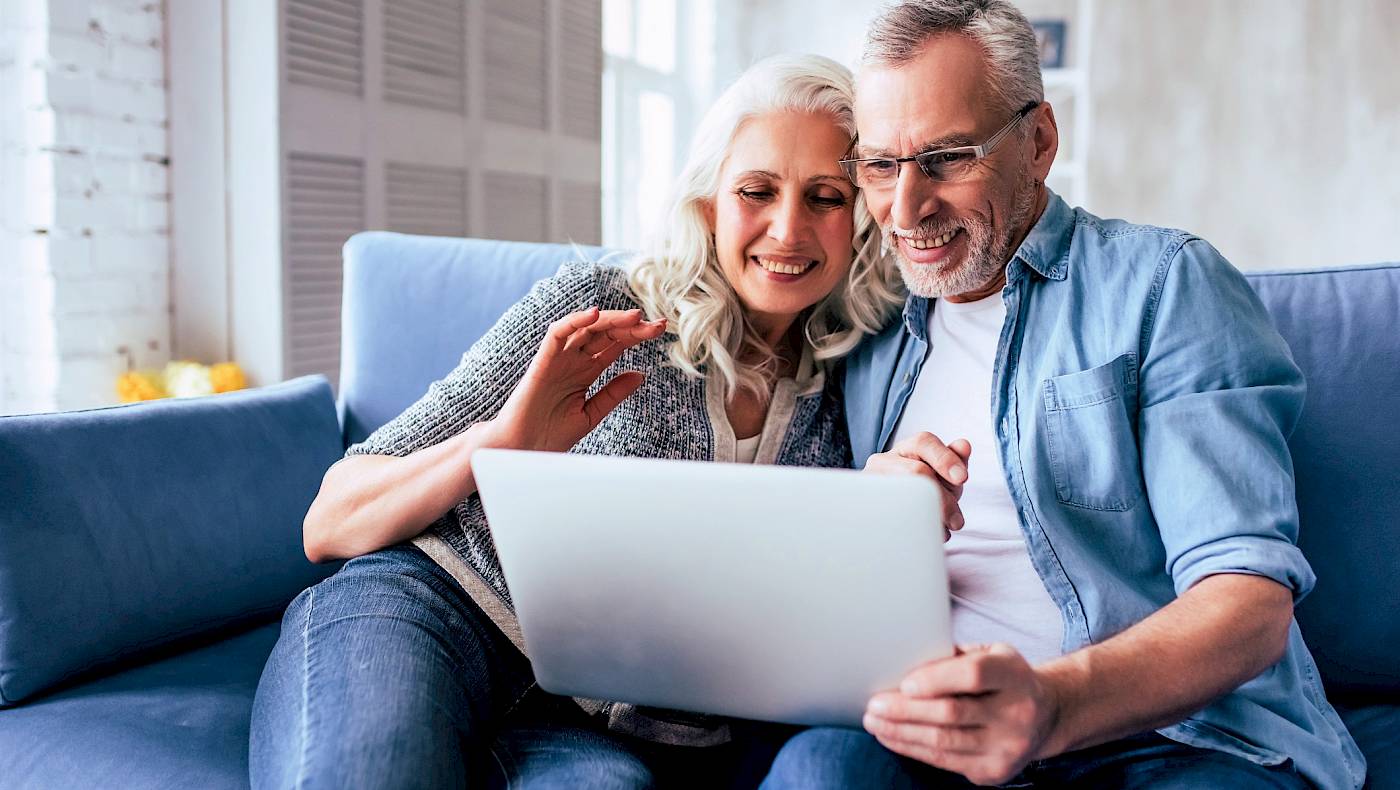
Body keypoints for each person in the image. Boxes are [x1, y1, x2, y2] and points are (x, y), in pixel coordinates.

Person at [248, 53, 905, 789]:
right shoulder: (601, 307)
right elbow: (330, 519)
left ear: (864, 219)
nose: (788, 229)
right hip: (429, 611)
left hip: (585, 719)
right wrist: (502, 446)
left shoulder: (858, 378)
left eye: (825, 197)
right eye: (757, 190)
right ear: (710, 202)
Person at [760, 2, 1365, 789]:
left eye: (946, 157)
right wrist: (872, 523)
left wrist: (1050, 705)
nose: (905, 210)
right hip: (940, 734)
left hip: (1171, 740)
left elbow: (1246, 600)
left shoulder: (1163, 286)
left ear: (1039, 141)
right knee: (818, 768)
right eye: (879, 165)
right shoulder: (866, 323)